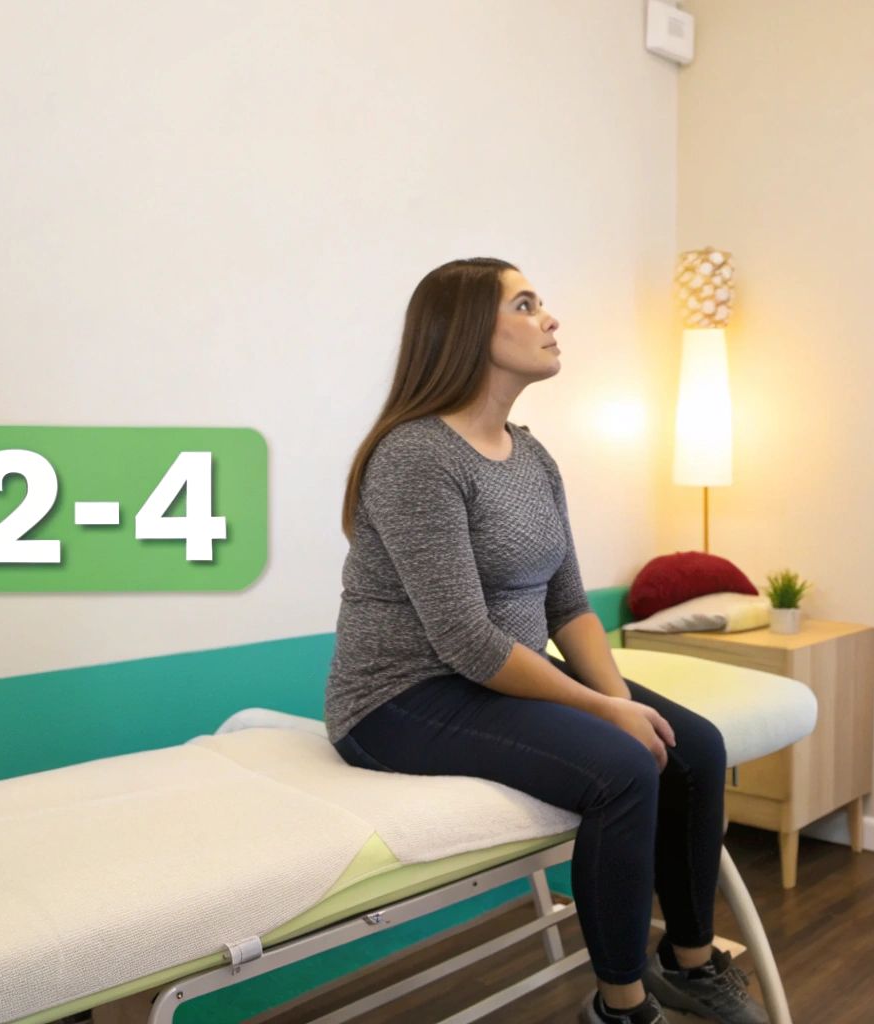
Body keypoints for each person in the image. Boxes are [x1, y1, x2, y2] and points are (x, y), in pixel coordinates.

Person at [326, 257, 767, 1024]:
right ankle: (620, 1006)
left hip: (500, 673)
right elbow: (465, 639)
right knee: (625, 768)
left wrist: (619, 698)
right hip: (402, 697)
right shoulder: (416, 457)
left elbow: (569, 606)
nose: (551, 318)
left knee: (691, 746)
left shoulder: (530, 455)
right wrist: (605, 719)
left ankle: (690, 962)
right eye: (526, 304)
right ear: (468, 332)